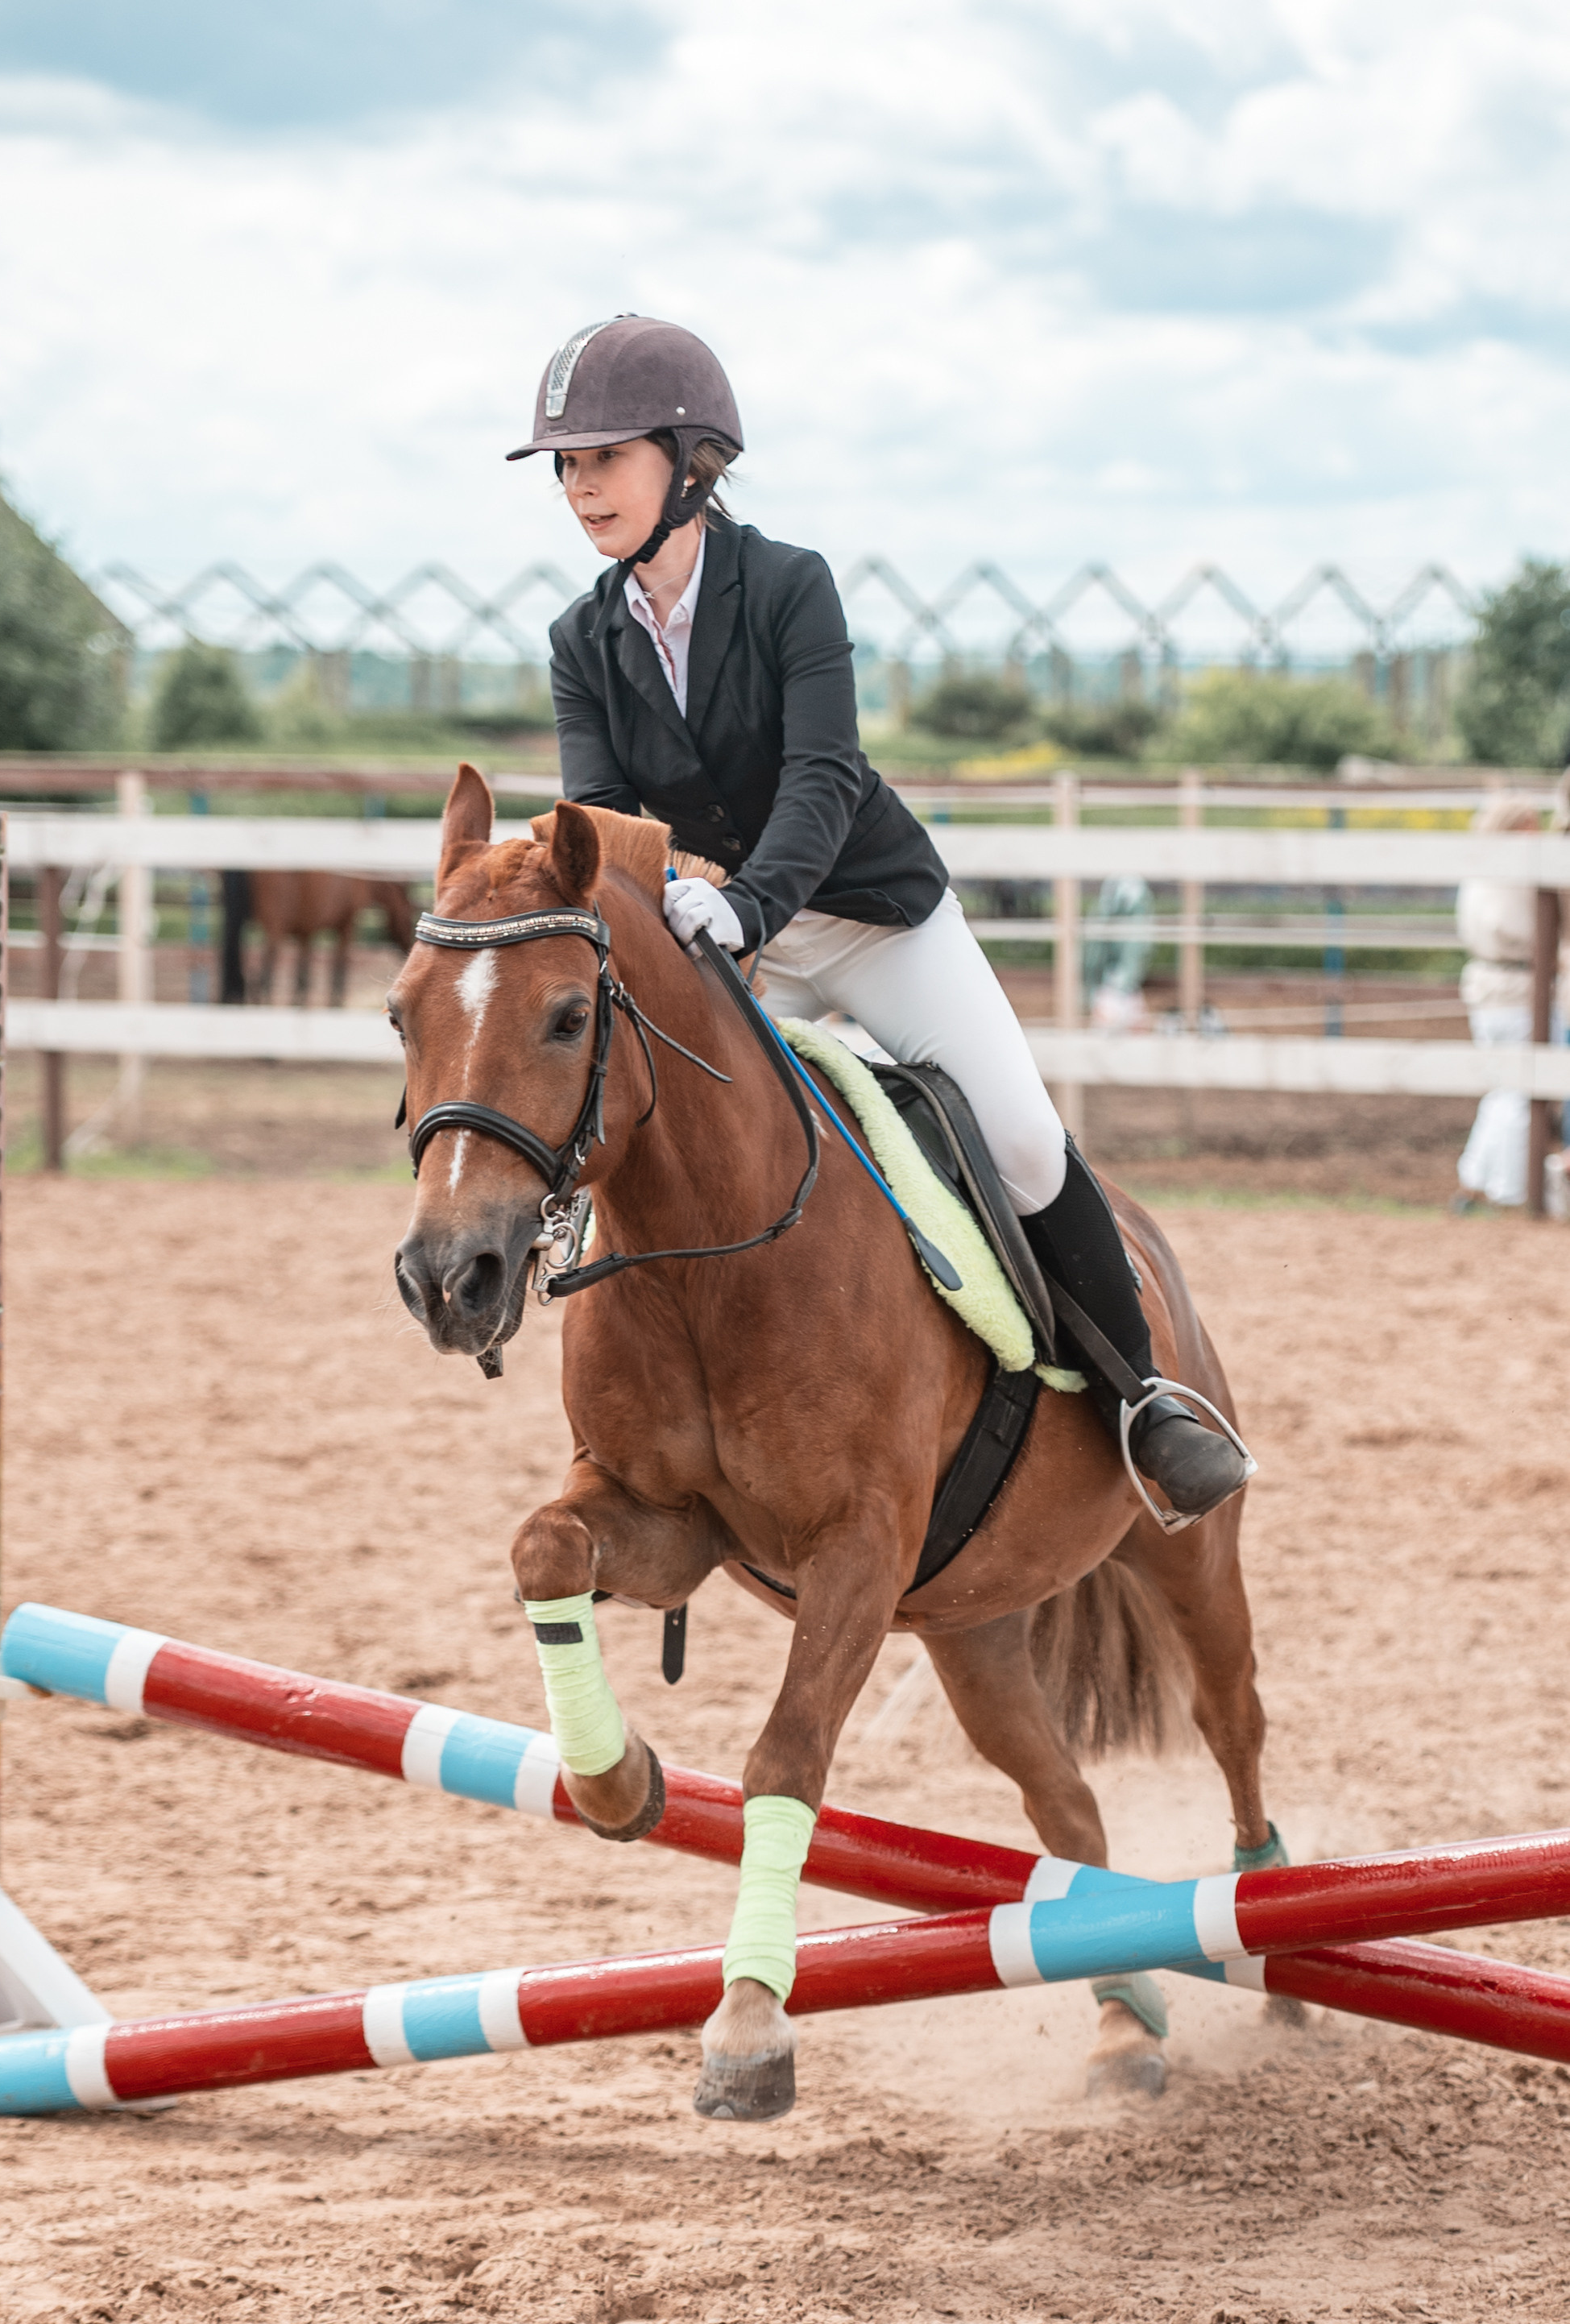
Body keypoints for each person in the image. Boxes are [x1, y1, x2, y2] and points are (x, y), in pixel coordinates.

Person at [509, 315, 1248, 1518]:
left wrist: (748, 909)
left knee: (1014, 1138)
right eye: (567, 465)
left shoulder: (789, 586)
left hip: (869, 918)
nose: (580, 485)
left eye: (606, 456)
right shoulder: (582, 639)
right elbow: (600, 824)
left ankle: (1143, 1402)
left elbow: (824, 776)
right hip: (718, 930)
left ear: (689, 462)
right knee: (642, 1121)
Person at [1451, 793, 1560, 1212]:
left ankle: (1474, 1179)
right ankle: (1513, 1190)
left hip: (1488, 987)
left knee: (1502, 1087)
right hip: (1518, 990)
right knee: (1523, 1091)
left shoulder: (1479, 870)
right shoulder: (1520, 871)